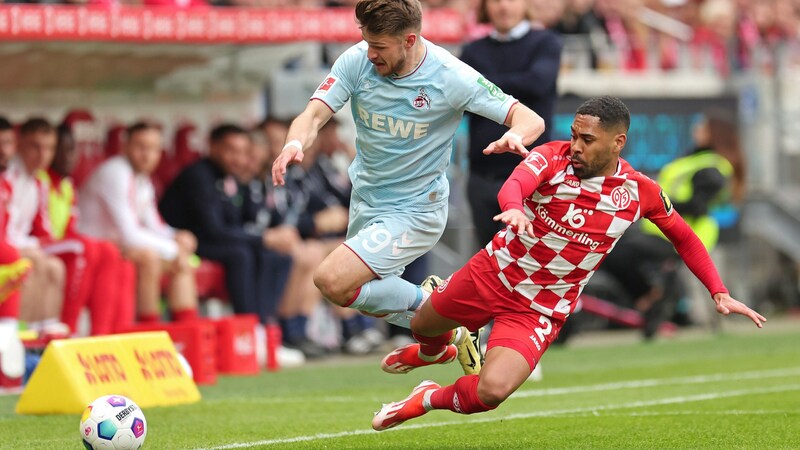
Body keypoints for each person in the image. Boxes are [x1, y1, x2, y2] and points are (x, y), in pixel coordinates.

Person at [371, 96, 766, 431]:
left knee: (490, 393)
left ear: (618, 143)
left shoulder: (638, 192)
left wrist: (719, 291)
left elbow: (684, 236)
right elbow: (515, 185)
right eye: (575, 134)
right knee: (422, 325)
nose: (575, 145)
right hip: (491, 274)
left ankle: (425, 398)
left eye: (587, 139)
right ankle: (437, 350)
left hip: (539, 307)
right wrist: (513, 208)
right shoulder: (551, 157)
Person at [272, 0, 545, 374]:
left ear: (409, 40)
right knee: (352, 293)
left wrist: (514, 134)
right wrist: (293, 144)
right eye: (366, 43)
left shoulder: (450, 75)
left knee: (331, 279)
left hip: (416, 209)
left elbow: (529, 118)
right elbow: (314, 113)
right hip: (366, 202)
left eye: (379, 47)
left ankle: (443, 310)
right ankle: (446, 324)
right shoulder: (356, 60)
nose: (370, 55)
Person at [158, 124, 304, 366]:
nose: (237, 158)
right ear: (213, 147)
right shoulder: (199, 175)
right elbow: (213, 230)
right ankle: (249, 331)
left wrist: (272, 236)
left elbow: (244, 220)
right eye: (230, 150)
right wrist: (264, 237)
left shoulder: (232, 177)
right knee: (242, 254)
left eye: (242, 151)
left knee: (275, 255)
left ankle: (266, 329)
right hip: (188, 243)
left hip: (214, 242)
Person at [461, 0, 562, 248]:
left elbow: (537, 82)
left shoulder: (546, 42)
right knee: (486, 259)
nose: (504, 7)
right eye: (496, 0)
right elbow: (461, 99)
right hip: (482, 176)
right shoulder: (473, 50)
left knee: (522, 257)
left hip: (530, 176)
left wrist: (483, 86)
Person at [79, 121, 199, 324]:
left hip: (117, 246)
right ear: (125, 147)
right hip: (94, 247)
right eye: (141, 147)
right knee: (150, 257)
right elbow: (129, 234)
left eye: (153, 149)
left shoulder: (142, 179)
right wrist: (173, 248)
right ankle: (148, 331)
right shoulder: (115, 173)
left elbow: (154, 225)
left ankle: (188, 332)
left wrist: (177, 236)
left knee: (181, 262)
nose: (147, 155)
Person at [34, 122, 134, 335]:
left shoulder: (67, 185)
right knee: (86, 247)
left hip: (59, 244)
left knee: (114, 255)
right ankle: (69, 328)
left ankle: (107, 335)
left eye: (73, 150)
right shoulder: (40, 180)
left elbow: (71, 228)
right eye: (63, 150)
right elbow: (42, 230)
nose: (70, 156)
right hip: (39, 243)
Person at [3, 118, 68, 335]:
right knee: (34, 260)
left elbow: (43, 230)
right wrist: (32, 246)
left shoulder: (40, 182)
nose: (42, 155)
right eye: (35, 146)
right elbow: (7, 229)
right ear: (19, 144)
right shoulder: (8, 176)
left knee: (56, 266)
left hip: (19, 244)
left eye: (49, 148)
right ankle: (22, 329)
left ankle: (45, 326)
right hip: (9, 246)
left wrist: (38, 244)